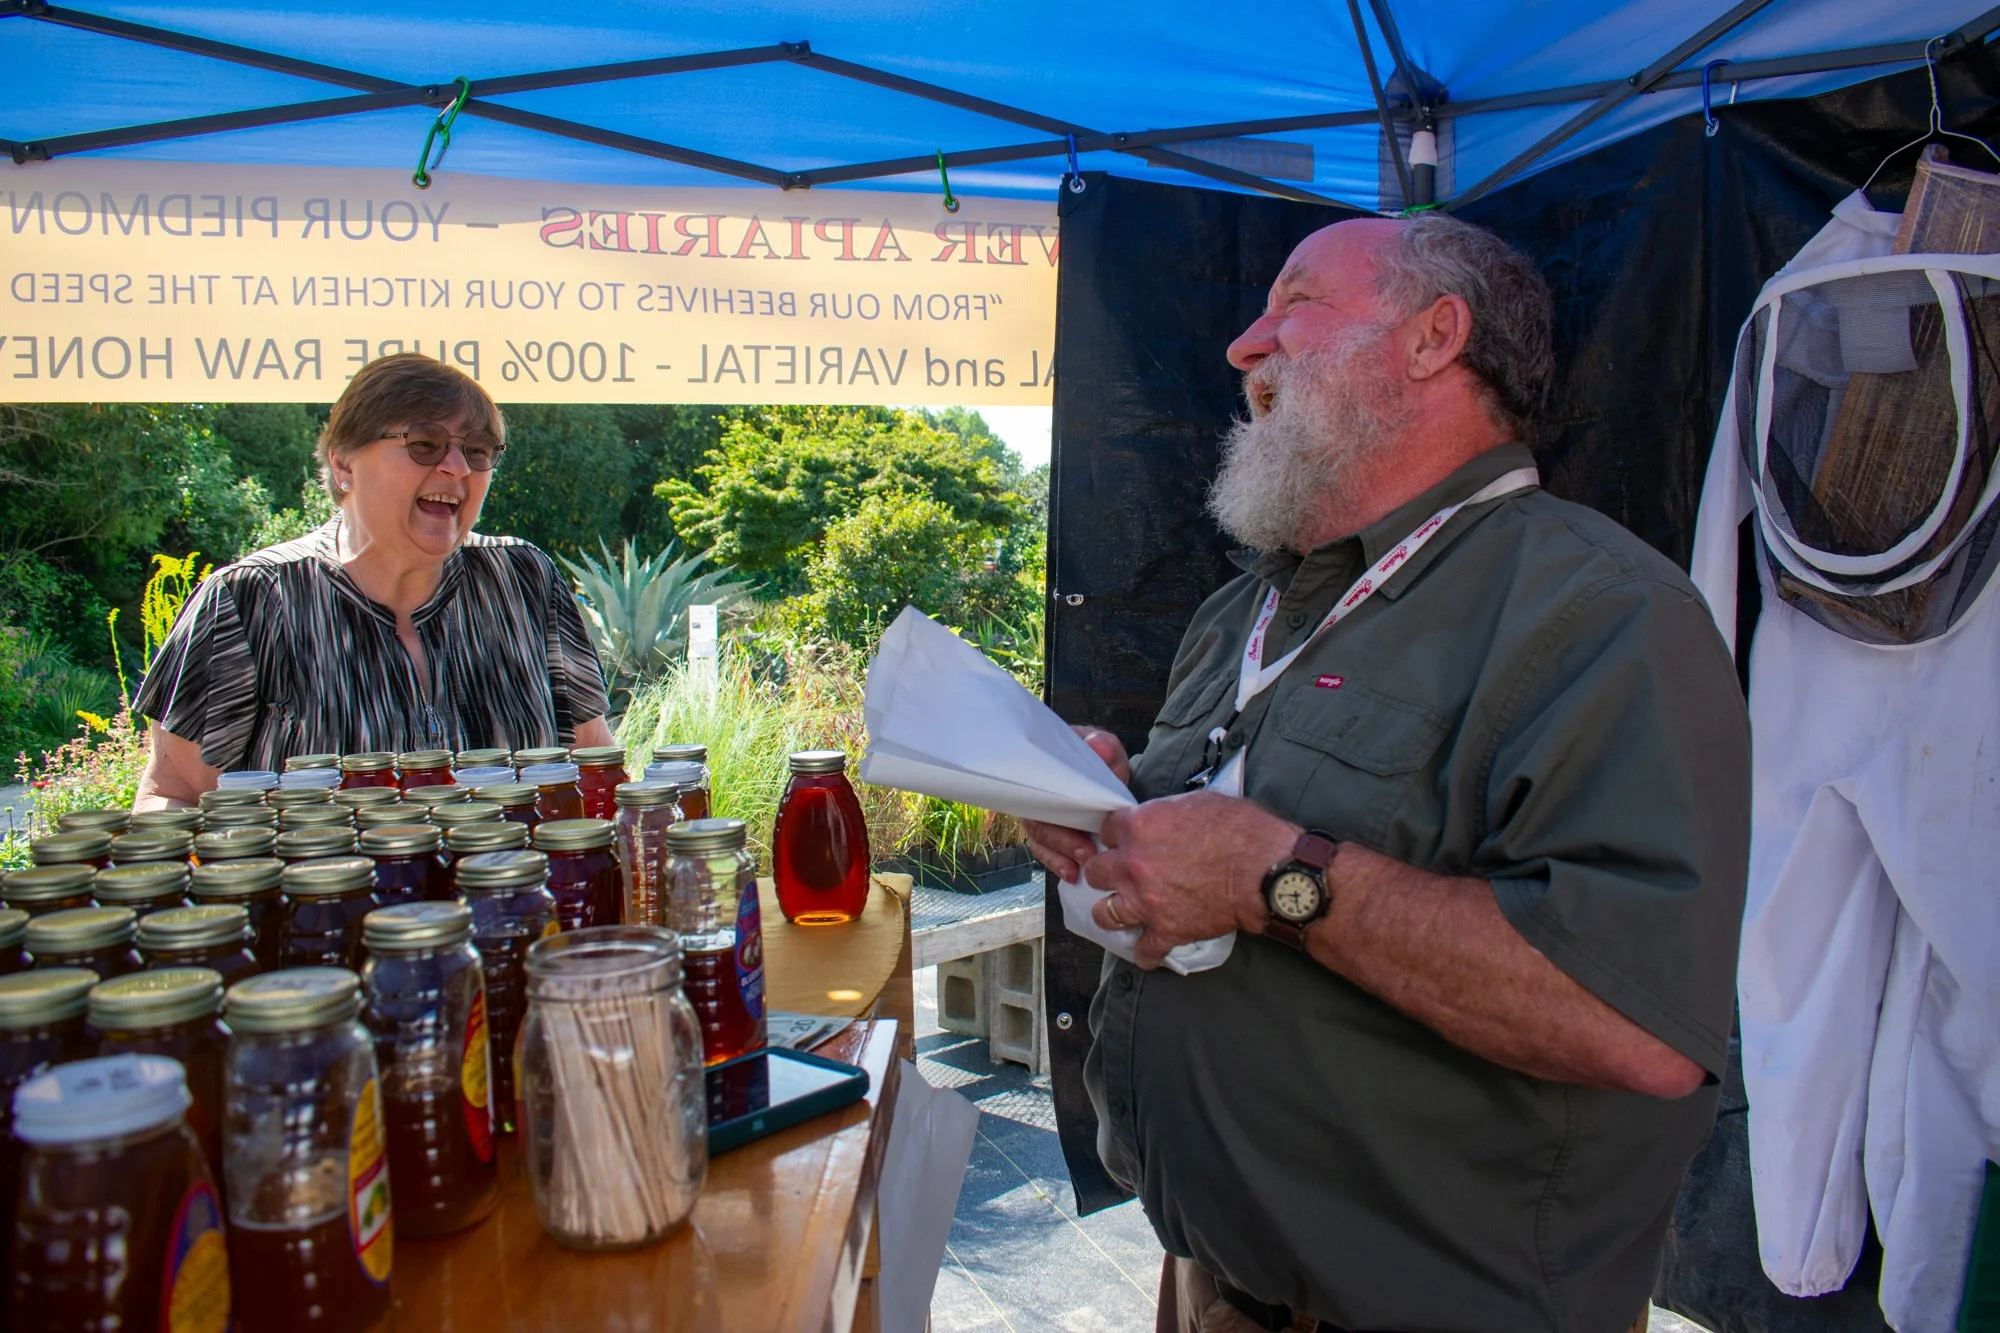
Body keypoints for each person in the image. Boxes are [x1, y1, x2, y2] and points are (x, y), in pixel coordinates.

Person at [1025, 215, 1750, 1333]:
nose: (1243, 344)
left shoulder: (1602, 611)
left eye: (1296, 303)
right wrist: (1111, 820)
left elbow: (1636, 1025)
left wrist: (1274, 877)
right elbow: (1199, 859)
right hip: (1203, 1284)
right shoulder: (1244, 609)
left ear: (1433, 337)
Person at [132, 352, 613, 807]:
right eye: (424, 444)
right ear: (343, 463)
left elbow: (594, 761)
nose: (457, 466)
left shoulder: (524, 580)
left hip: (516, 871)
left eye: (478, 450)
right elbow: (172, 794)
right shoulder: (250, 599)